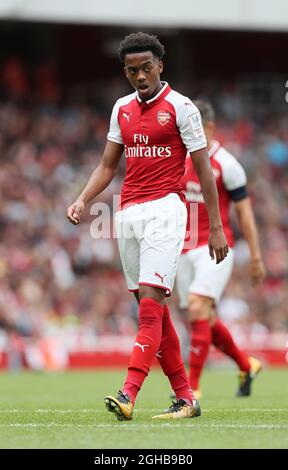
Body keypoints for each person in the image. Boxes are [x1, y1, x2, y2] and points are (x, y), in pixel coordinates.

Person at [67, 33, 228, 420]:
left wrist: (218, 226)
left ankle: (128, 393)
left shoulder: (181, 107)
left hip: (166, 211)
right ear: (125, 71)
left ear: (161, 66)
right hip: (128, 214)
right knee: (154, 311)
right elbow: (108, 165)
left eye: (146, 68)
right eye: (132, 70)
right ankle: (186, 398)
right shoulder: (121, 108)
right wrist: (83, 199)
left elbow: (204, 171)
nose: (140, 76)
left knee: (150, 311)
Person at [176, 99, 266, 399]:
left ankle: (193, 389)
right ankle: (246, 363)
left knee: (199, 308)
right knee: (203, 319)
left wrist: (255, 257)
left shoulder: (227, 165)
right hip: (184, 249)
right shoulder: (181, 159)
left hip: (215, 248)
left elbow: (245, 213)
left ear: (209, 127)